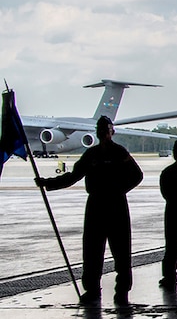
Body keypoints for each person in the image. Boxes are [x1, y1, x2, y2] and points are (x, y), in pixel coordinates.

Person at [38, 116, 144, 306]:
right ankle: (92, 290)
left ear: (112, 131)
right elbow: (73, 177)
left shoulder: (120, 152)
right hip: (95, 205)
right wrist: (48, 183)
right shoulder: (91, 154)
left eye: (106, 128)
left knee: (121, 252)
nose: (103, 132)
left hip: (116, 205)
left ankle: (122, 291)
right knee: (92, 251)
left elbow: (137, 175)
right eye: (101, 128)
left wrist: (119, 190)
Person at [158, 140, 177, 290]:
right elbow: (165, 193)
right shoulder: (169, 172)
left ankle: (174, 276)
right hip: (176, 212)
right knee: (171, 247)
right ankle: (169, 275)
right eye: (176, 151)